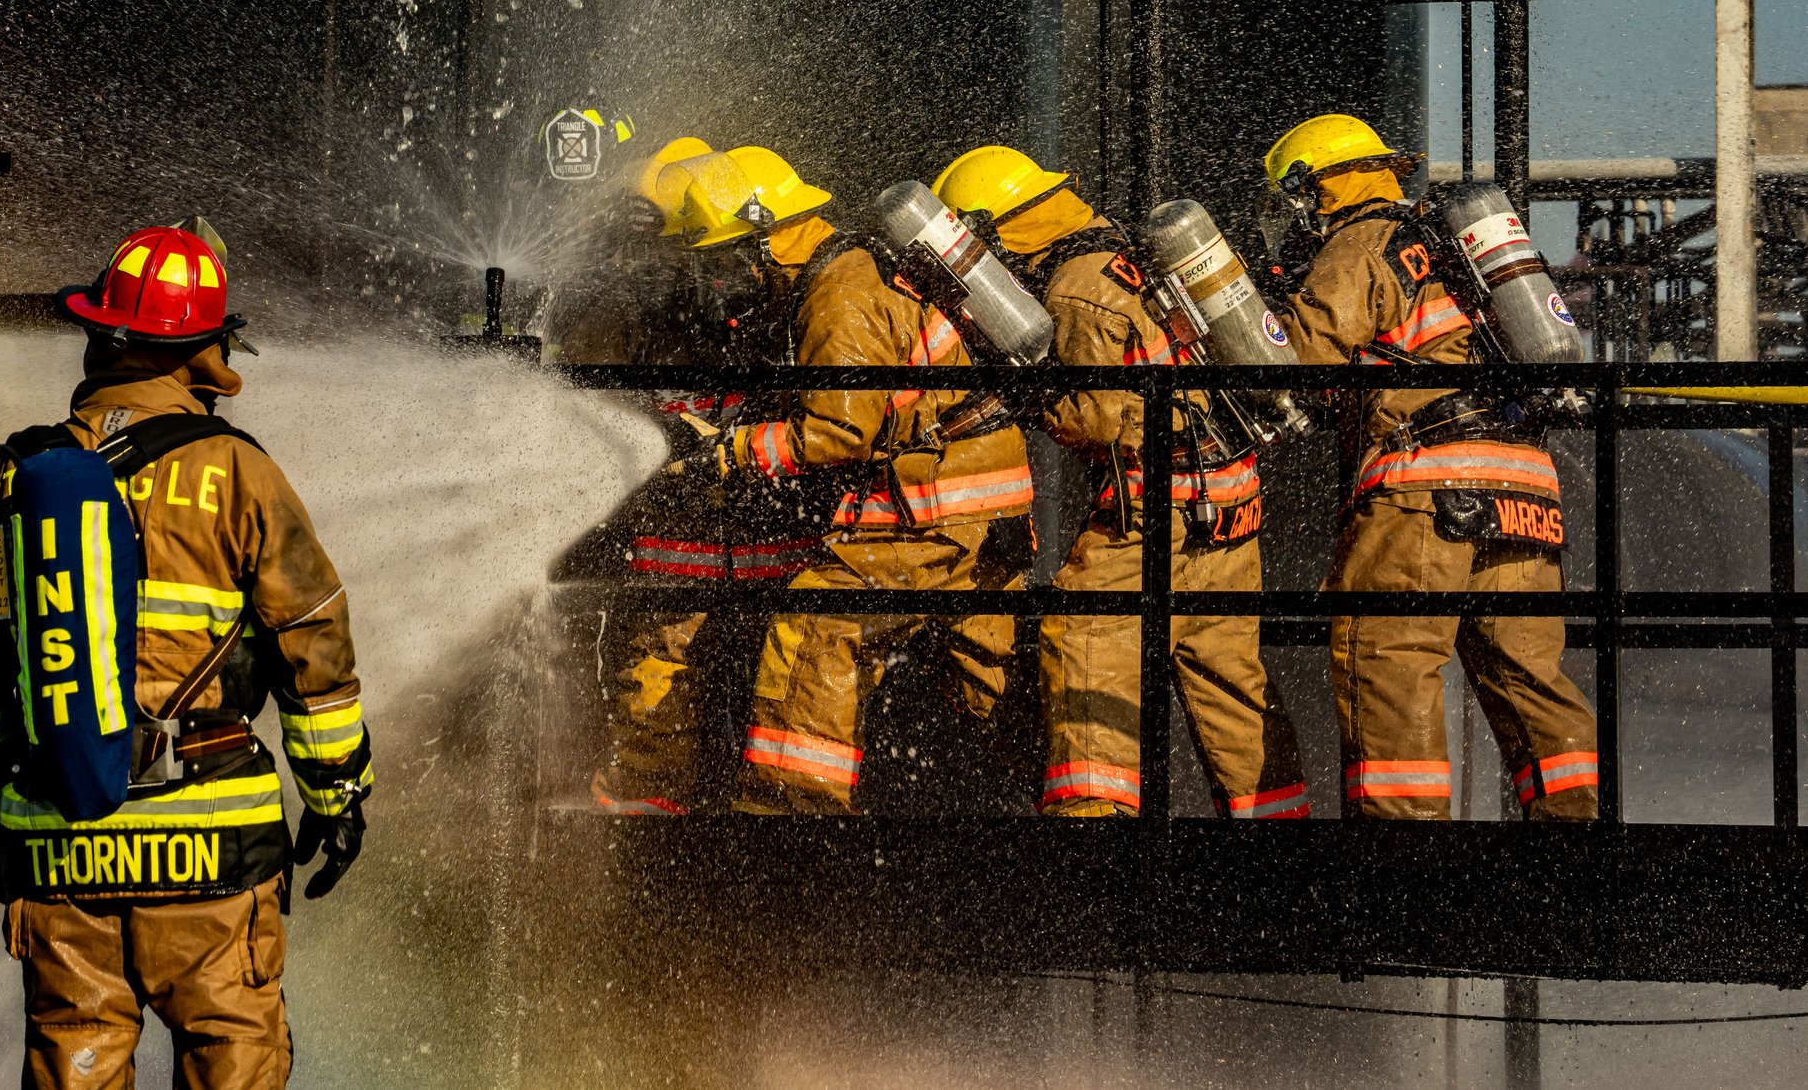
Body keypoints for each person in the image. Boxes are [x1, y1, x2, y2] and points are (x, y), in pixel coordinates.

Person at [0, 223, 373, 1088]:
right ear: (206, 352)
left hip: (61, 853)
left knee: (74, 1065)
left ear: (98, 337)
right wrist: (336, 794)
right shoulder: (239, 474)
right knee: (232, 1061)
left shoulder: (17, 480)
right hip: (213, 859)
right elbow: (314, 653)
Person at [933, 147, 1308, 820]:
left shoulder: (1073, 288)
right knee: (1229, 682)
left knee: (1083, 644)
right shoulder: (1125, 249)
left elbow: (1099, 414)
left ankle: (1093, 836)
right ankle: (1279, 830)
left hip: (1157, 512)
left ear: (989, 231)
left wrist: (1028, 398)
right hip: (1229, 499)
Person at [658, 145, 1033, 814]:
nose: (723, 277)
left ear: (767, 237)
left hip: (936, 504)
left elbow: (840, 428)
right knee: (992, 670)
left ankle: (794, 816)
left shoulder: (839, 291)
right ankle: (1079, 809)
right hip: (972, 499)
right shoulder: (841, 272)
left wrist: (733, 452)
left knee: (815, 618)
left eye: (727, 257)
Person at [1261, 114, 1596, 820]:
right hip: (1525, 481)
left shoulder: (1362, 242)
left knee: (1388, 658)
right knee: (1528, 672)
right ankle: (1576, 843)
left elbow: (1298, 352)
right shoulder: (1447, 246)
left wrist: (1247, 324)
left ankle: (1405, 870)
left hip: (1427, 486)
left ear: (1312, 187)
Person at [559, 138, 823, 815]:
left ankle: (745, 845)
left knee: (763, 705)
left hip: (762, 549)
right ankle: (646, 848)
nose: (694, 272)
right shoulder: (629, 310)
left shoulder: (785, 299)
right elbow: (588, 391)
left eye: (702, 253)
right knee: (660, 701)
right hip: (681, 553)